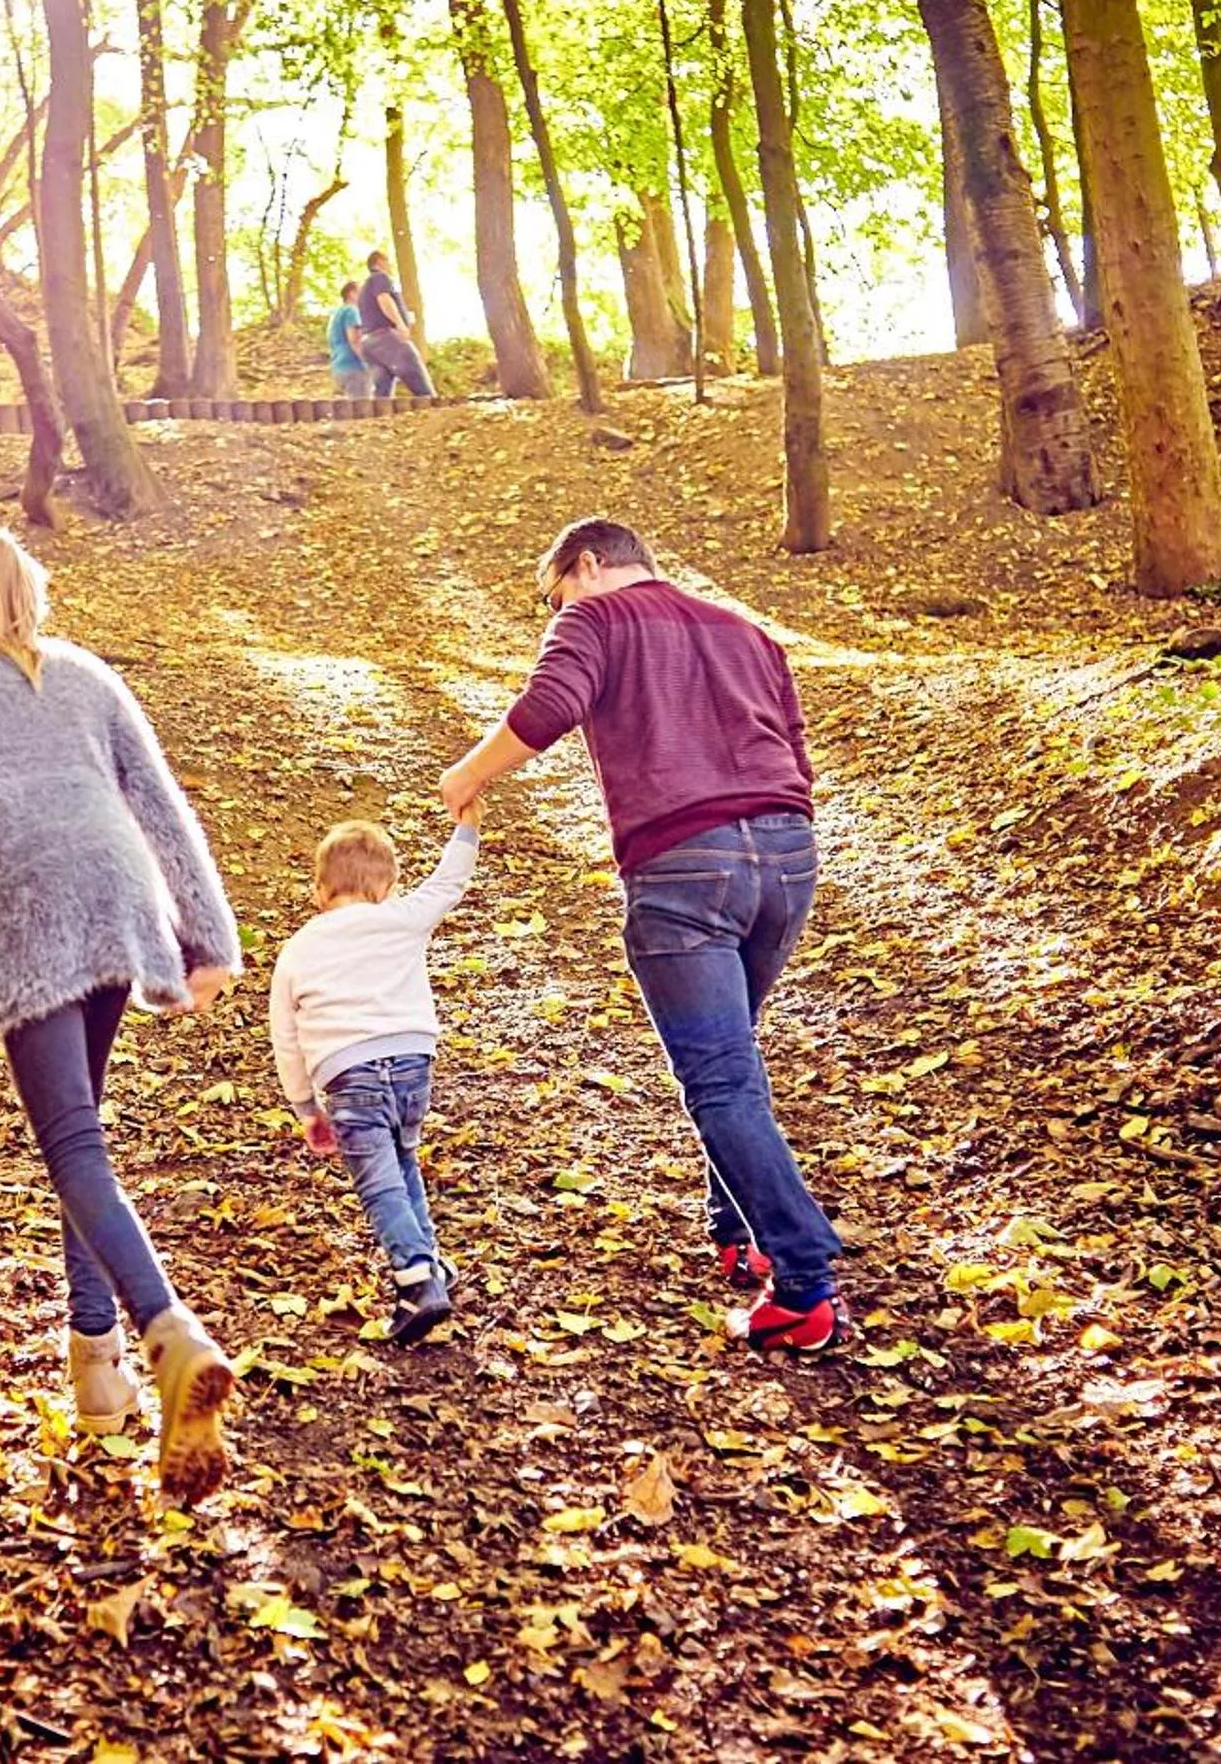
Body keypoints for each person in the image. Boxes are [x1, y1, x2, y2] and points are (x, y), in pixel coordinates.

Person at [0, 529, 243, 1501]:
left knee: (72, 1147)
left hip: (23, 907)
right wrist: (210, 939)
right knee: (84, 1145)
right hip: (118, 897)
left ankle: (168, 1336)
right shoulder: (86, 673)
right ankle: (97, 1366)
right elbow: (161, 806)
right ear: (35, 596)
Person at [436, 519, 844, 1354]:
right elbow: (795, 751)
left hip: (684, 870)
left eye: (555, 595)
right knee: (734, 1058)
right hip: (787, 855)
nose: (556, 612)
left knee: (720, 1078)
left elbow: (548, 707)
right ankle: (737, 1226)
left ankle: (804, 1281)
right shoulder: (746, 631)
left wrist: (467, 774)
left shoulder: (595, 618)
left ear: (587, 565)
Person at [268, 813, 482, 1344]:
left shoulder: (297, 949)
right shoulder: (401, 918)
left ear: (319, 889)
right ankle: (430, 1265)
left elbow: (287, 1038)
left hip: (347, 1076)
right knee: (402, 1160)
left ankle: (414, 1279)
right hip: (412, 1066)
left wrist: (305, 1109)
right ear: (386, 888)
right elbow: (448, 883)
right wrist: (467, 830)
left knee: (379, 1180)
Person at [355, 249, 436, 400]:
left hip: (369, 343)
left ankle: (379, 420)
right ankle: (435, 406)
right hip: (385, 337)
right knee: (414, 369)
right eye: (388, 262)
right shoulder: (380, 277)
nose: (390, 266)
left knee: (382, 390)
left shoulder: (363, 289)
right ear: (380, 262)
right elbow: (384, 299)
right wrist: (400, 324)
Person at [326, 282, 371, 400]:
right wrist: (368, 362)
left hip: (338, 367)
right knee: (363, 411)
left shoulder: (335, 313)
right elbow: (355, 340)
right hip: (353, 367)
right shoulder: (352, 311)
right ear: (352, 294)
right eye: (361, 291)